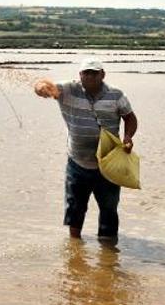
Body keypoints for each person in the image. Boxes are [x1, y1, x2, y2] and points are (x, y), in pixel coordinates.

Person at [34, 60, 137, 241]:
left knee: (109, 209)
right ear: (80, 74)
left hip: (109, 163)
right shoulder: (67, 90)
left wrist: (128, 138)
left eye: (94, 73)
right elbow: (41, 84)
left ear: (102, 75)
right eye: (86, 73)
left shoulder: (116, 94)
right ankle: (75, 248)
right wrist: (42, 88)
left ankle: (108, 247)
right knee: (75, 208)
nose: (89, 76)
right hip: (78, 163)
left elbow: (130, 118)